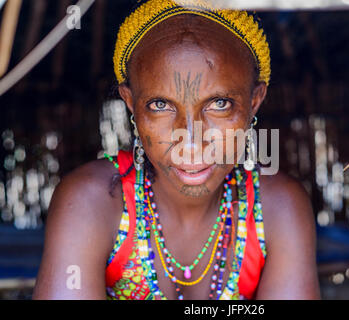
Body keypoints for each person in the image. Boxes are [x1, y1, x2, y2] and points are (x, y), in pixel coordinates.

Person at [33, 0, 320, 300]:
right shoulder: (91, 202)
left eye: (219, 104)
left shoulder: (279, 208)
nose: (191, 142)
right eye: (161, 105)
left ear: (254, 102)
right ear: (131, 104)